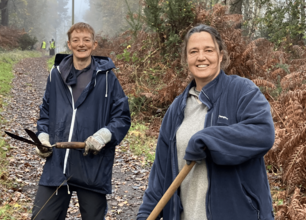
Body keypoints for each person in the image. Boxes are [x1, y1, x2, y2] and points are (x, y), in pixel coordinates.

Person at [137, 24, 275, 220]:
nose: (201, 57)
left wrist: (208, 138)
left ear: (220, 55)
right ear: (186, 59)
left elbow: (263, 133)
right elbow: (161, 174)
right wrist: (145, 214)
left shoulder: (242, 91)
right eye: (193, 51)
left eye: (208, 50)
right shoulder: (176, 109)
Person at [31, 22, 131, 220]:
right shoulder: (56, 75)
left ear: (94, 44)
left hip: (92, 168)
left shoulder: (108, 78)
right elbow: (45, 115)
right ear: (69, 44)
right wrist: (42, 138)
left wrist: (103, 136)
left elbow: (122, 117)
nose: (81, 44)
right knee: (41, 217)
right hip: (57, 167)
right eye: (76, 40)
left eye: (86, 40)